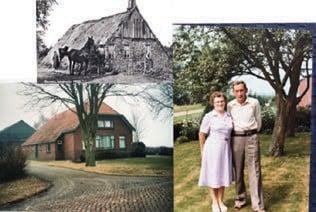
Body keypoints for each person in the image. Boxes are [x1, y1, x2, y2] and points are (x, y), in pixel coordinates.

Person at [227, 80, 265, 212]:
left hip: (251, 137)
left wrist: (252, 133)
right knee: (238, 171)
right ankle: (240, 199)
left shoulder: (254, 103)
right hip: (236, 138)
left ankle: (258, 205)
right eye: (236, 91)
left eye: (241, 90)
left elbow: (258, 121)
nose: (239, 93)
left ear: (246, 90)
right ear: (233, 92)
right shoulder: (230, 105)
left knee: (255, 171)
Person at [198, 91, 233, 212]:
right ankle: (214, 202)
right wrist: (202, 150)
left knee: (223, 174)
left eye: (222, 101)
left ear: (225, 102)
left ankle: (220, 201)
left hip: (225, 148)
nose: (220, 103)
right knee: (213, 174)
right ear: (213, 103)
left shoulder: (229, 115)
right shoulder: (209, 116)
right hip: (212, 148)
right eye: (217, 101)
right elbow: (202, 134)